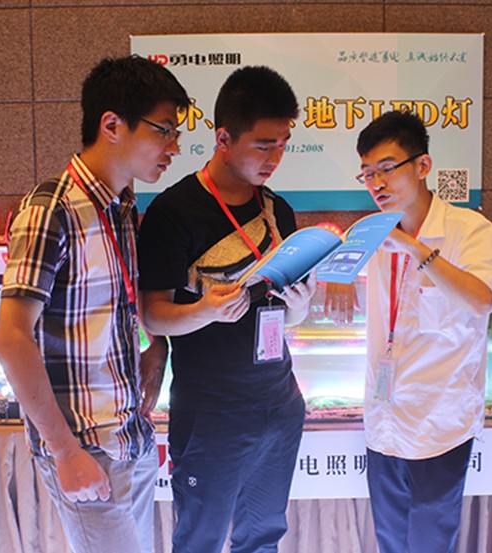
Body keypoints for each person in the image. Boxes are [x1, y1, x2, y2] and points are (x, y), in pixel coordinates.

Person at [0, 55, 190, 553]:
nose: (174, 146)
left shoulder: (122, 206)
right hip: (85, 447)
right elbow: (11, 339)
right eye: (164, 130)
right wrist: (64, 452)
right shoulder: (51, 209)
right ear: (112, 124)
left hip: (130, 437)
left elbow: (121, 301)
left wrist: (157, 346)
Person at [137, 66, 316, 553]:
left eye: (283, 143)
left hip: (280, 401)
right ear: (223, 138)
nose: (275, 157)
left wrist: (300, 307)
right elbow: (152, 314)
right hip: (211, 411)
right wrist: (206, 311)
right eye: (263, 145)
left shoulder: (277, 211)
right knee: (200, 540)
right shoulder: (173, 212)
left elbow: (280, 313)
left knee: (264, 536)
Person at [328, 110, 492, 553]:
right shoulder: (369, 233)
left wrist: (414, 247)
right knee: (390, 540)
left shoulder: (469, 230)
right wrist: (337, 275)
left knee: (430, 541)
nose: (376, 183)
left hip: (439, 422)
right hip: (383, 419)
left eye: (387, 168)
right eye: (368, 173)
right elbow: (330, 264)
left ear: (422, 166)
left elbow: (482, 300)